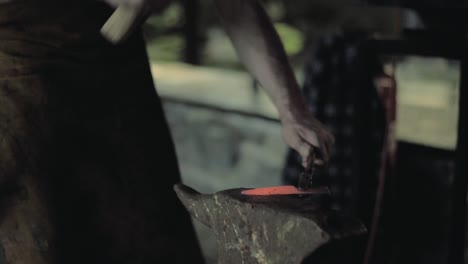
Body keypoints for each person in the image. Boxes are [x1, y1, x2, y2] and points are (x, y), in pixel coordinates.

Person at [0, 0, 333, 263]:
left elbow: (237, 5)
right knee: (49, 242)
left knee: (154, 243)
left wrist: (292, 112)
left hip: (118, 80)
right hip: (22, 79)